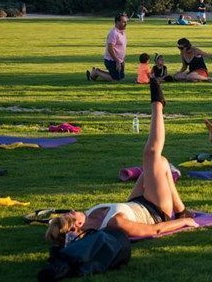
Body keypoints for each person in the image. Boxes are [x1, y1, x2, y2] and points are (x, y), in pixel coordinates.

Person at [45, 81, 198, 246]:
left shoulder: (89, 215)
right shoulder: (115, 224)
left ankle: (182, 210)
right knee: (151, 154)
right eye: (70, 215)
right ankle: (157, 104)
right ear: (77, 227)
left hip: (135, 201)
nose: (72, 210)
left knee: (160, 162)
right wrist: (184, 223)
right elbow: (156, 230)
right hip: (155, 210)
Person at [86, 13, 128, 82]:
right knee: (115, 80)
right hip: (111, 60)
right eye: (124, 22)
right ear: (117, 22)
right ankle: (96, 72)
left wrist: (122, 60)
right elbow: (110, 48)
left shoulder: (122, 32)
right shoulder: (113, 33)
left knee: (121, 77)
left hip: (119, 60)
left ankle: (96, 72)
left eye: (126, 22)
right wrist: (117, 61)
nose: (126, 24)